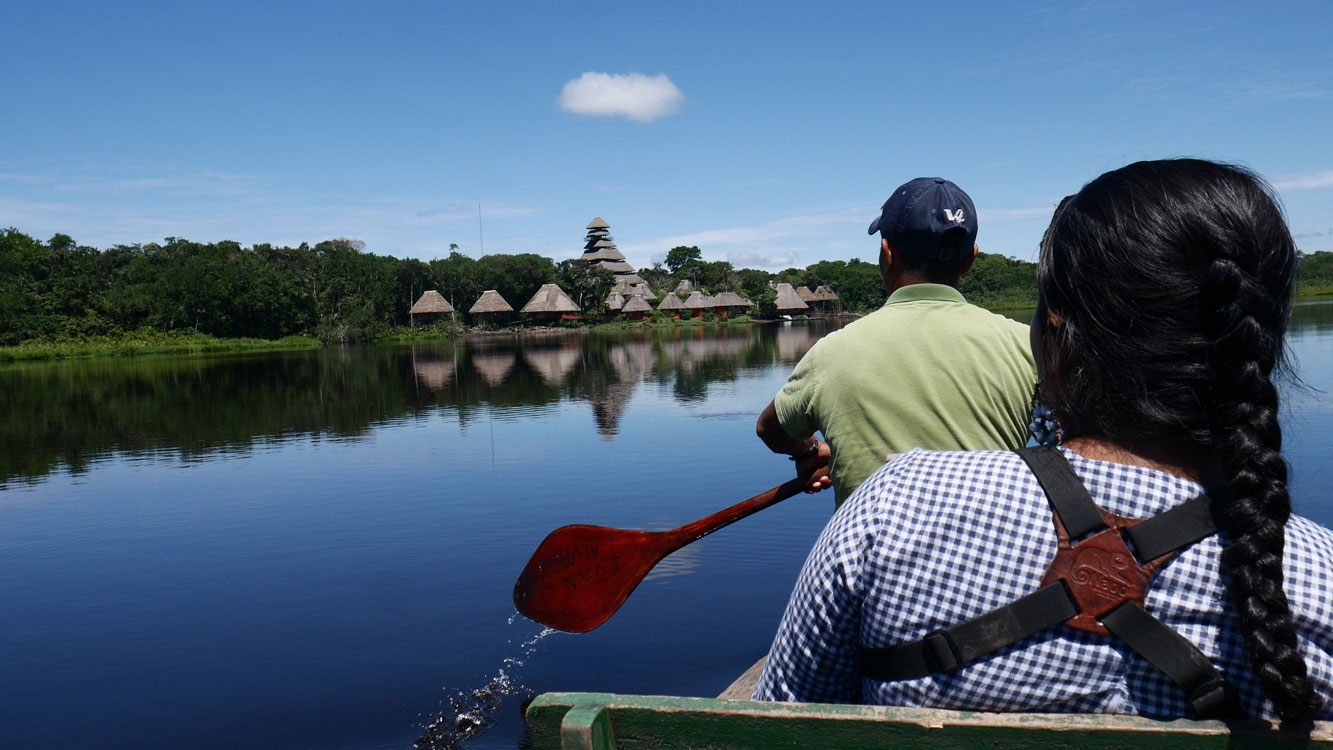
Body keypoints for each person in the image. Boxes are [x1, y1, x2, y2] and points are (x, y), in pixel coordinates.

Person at [753, 159, 1333, 722]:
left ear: (1055, 334)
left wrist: (811, 455)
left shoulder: (890, 504)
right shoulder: (1317, 577)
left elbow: (783, 724)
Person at [756, 177, 1037, 506]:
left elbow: (770, 430)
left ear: (886, 254)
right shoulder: (1027, 345)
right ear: (970, 259)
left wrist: (811, 451)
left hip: (877, 556)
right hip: (997, 553)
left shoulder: (830, 354)